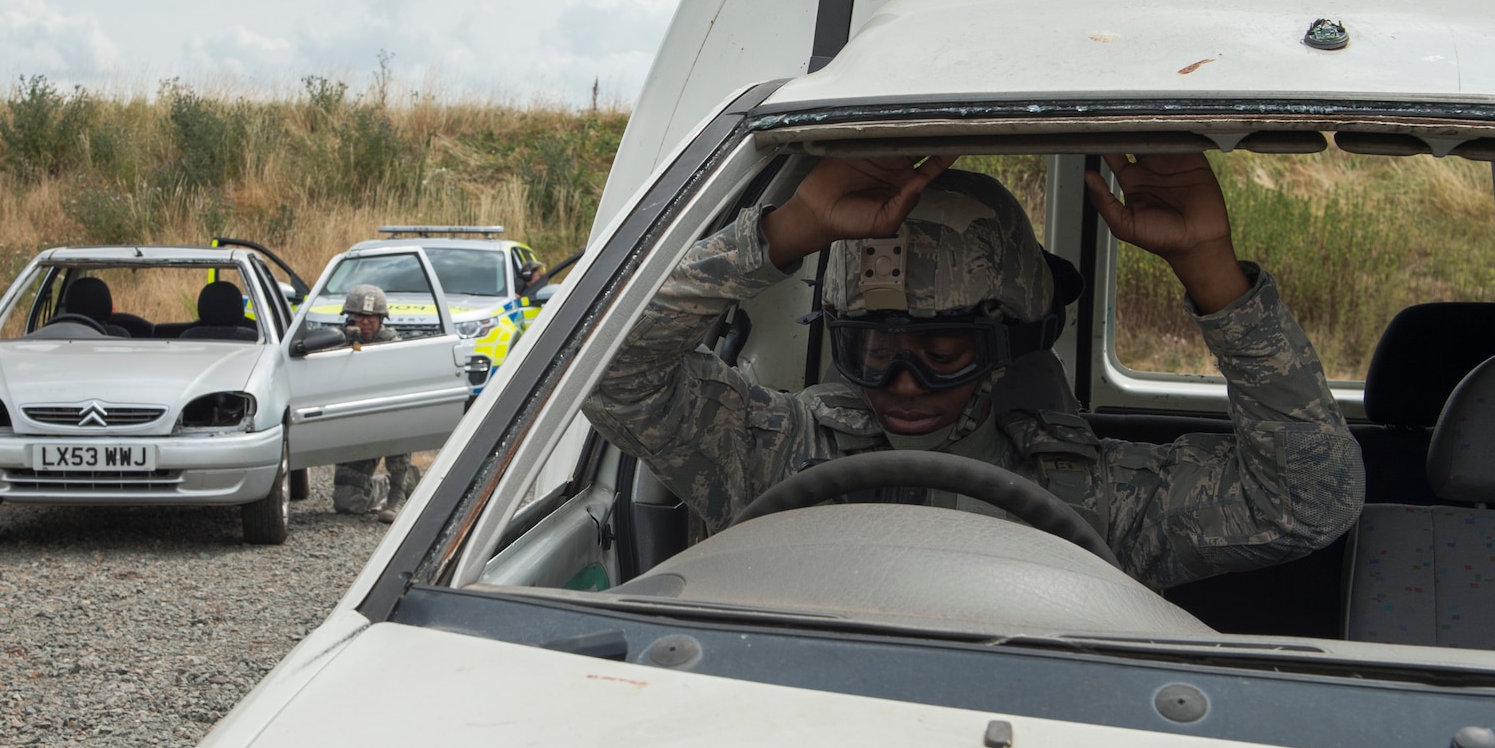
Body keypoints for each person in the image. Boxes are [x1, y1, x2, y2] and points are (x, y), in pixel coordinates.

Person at [583, 153, 1365, 591]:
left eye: (945, 351)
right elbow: (609, 370)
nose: (905, 383)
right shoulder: (781, 452)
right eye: (875, 351)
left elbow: (1307, 501)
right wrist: (788, 231)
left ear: (1005, 348)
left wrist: (1211, 270)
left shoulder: (1097, 494)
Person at [325, 284, 419, 524]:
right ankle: (387, 486)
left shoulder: (392, 343)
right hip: (356, 427)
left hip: (387, 420)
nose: (365, 322)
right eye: (359, 315)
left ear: (381, 319)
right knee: (347, 503)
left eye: (371, 317)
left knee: (400, 431)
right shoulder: (338, 342)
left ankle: (396, 495)